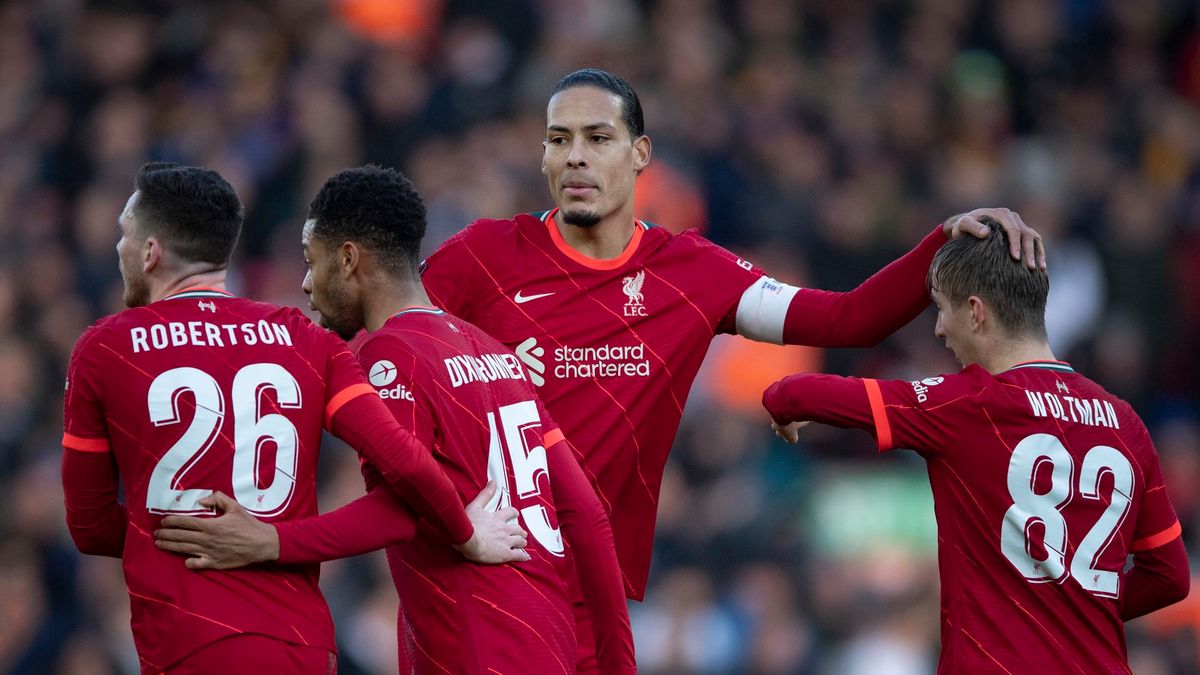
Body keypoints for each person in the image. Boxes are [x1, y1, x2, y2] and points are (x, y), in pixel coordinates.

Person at [416, 66, 1046, 669]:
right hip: (483, 581)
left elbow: (846, 320)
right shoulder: (480, 258)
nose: (575, 156)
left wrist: (941, 243)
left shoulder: (692, 274)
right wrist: (448, 508)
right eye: (559, 140)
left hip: (594, 598)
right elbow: (383, 361)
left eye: (597, 138)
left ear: (640, 154)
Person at [154, 166, 637, 674]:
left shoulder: (390, 355)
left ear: (346, 260)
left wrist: (270, 542)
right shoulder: (497, 356)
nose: (304, 283)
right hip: (546, 640)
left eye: (310, 262)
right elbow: (587, 513)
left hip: (479, 643)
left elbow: (400, 509)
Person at [61, 163, 526, 674]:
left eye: (124, 235)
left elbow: (89, 528)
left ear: (150, 252)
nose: (118, 249)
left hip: (191, 641)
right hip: (302, 643)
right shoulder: (305, 339)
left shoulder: (105, 349)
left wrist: (169, 535)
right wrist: (469, 534)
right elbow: (407, 462)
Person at [762, 220, 1189, 672]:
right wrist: (1072, 617)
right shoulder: (1126, 422)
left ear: (975, 311)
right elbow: (1169, 577)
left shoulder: (968, 405)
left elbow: (793, 392)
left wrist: (784, 409)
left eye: (942, 310)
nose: (939, 330)